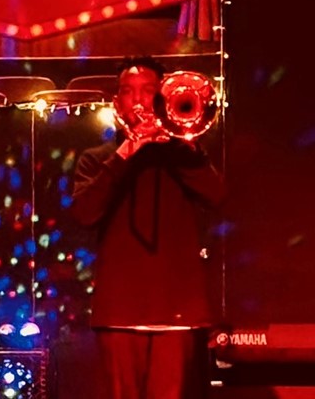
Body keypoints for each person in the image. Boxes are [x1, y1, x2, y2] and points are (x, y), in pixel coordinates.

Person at [70, 56, 226, 399]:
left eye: (148, 91)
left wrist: (182, 145)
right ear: (116, 102)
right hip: (119, 311)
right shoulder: (97, 159)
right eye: (128, 91)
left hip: (179, 311)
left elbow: (218, 196)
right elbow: (84, 213)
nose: (139, 100)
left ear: (160, 98)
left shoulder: (185, 156)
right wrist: (127, 152)